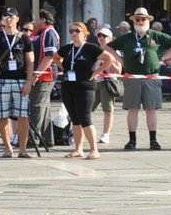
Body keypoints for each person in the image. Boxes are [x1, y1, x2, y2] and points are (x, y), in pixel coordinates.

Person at [110, 8, 171, 151]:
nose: (141, 21)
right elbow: (108, 47)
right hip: (132, 77)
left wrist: (162, 58)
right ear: (134, 22)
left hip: (151, 77)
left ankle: (153, 140)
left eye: (143, 19)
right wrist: (120, 60)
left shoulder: (156, 35)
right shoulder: (128, 37)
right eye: (137, 19)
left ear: (149, 21)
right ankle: (132, 140)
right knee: (132, 109)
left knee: (151, 109)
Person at [55, 22, 116, 159]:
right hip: (68, 85)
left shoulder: (91, 48)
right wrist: (63, 68)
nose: (74, 33)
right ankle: (78, 149)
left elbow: (110, 59)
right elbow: (55, 57)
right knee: (74, 118)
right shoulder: (67, 48)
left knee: (85, 118)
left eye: (77, 30)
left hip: (85, 86)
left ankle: (94, 150)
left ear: (84, 33)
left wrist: (97, 72)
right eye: (71, 31)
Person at [0, 7, 35, 158]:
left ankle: (23, 149)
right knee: (2, 115)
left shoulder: (24, 38)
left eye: (11, 16)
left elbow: (30, 61)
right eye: (5, 17)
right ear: (1, 20)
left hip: (20, 80)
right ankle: (8, 148)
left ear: (17, 19)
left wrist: (29, 81)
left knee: (23, 115)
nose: (8, 19)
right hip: (1, 80)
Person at [28, 10, 61, 148]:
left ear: (43, 20)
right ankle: (48, 139)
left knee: (36, 106)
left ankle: (32, 139)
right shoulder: (39, 33)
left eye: (36, 19)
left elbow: (49, 56)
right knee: (44, 108)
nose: (34, 22)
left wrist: (36, 75)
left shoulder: (49, 33)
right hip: (41, 74)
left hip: (45, 75)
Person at [90, 25, 120, 144]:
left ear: (111, 38)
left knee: (107, 109)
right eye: (99, 35)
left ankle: (106, 134)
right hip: (95, 81)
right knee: (88, 108)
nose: (101, 38)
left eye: (104, 36)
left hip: (108, 82)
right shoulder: (96, 50)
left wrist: (110, 61)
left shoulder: (114, 51)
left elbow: (118, 70)